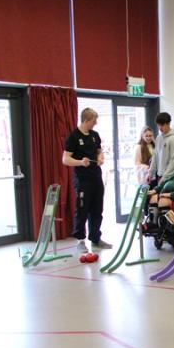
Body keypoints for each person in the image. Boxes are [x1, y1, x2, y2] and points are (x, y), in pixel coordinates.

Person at [62, 107, 112, 250]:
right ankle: (80, 240)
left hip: (96, 176)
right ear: (86, 120)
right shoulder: (73, 137)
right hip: (82, 179)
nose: (95, 123)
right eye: (93, 121)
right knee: (82, 209)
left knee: (97, 209)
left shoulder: (95, 135)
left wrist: (100, 158)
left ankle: (96, 238)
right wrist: (80, 162)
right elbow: (65, 159)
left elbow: (99, 151)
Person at [148, 112, 174, 188]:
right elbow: (155, 157)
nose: (160, 128)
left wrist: (164, 178)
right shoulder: (158, 138)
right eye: (158, 125)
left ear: (168, 123)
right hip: (160, 176)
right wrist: (150, 173)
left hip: (171, 178)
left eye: (162, 125)